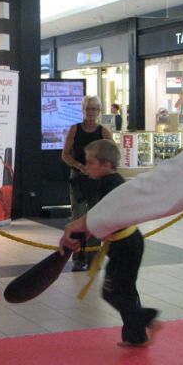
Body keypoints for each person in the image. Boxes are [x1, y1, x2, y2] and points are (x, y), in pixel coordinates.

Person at [59, 85, 183, 365]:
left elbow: (158, 187)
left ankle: (140, 323)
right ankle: (137, 327)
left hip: (126, 240)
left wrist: (87, 222)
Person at [84, 138, 159, 346]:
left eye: (90, 162)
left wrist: (90, 228)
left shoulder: (109, 184)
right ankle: (136, 336)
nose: (86, 167)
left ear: (106, 165)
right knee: (126, 292)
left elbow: (107, 215)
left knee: (111, 293)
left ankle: (148, 318)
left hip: (124, 246)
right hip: (129, 242)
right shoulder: (114, 181)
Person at [62, 95, 112, 271]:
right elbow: (65, 154)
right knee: (78, 218)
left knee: (96, 218)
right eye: (88, 109)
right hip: (78, 179)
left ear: (99, 111)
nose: (91, 112)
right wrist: (80, 166)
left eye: (94, 109)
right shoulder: (75, 129)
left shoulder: (103, 132)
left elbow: (112, 155)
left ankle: (93, 258)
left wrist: (101, 169)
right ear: (83, 110)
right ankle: (78, 258)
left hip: (97, 181)